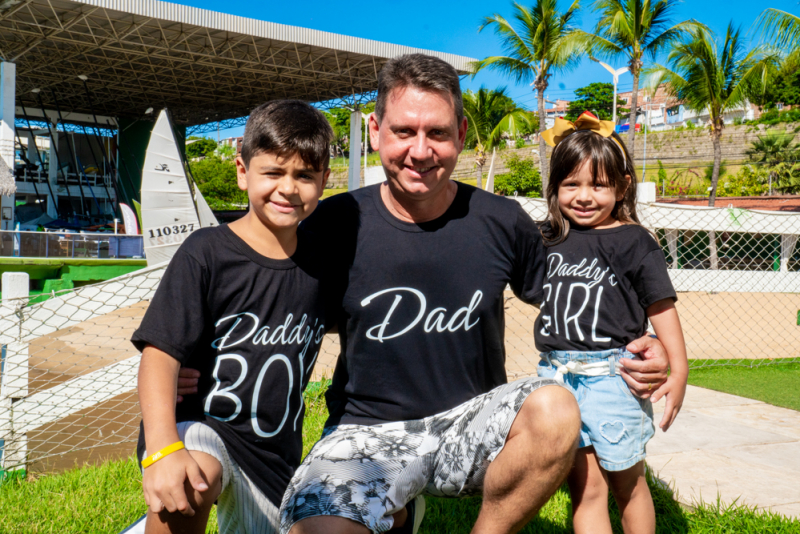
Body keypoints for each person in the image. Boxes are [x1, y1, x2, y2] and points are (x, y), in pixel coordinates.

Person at [272, 55, 671, 534]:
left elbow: (577, 292)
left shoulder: (501, 220)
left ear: (461, 133)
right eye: (404, 131)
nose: (420, 151)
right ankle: (393, 503)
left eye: (437, 133)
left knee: (555, 407)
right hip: (369, 430)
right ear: (376, 130)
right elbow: (267, 307)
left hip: (475, 427)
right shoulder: (332, 224)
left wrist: (647, 338)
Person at [133, 100, 336, 534]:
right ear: (243, 171)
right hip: (200, 427)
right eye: (273, 172)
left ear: (324, 181)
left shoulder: (323, 268)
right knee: (194, 478)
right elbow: (159, 354)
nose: (288, 188)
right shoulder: (206, 253)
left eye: (304, 175)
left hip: (273, 460)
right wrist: (162, 449)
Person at [534, 112, 688, 534]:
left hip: (614, 379)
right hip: (557, 379)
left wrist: (680, 369)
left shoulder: (634, 240)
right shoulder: (547, 238)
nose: (584, 196)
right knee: (585, 489)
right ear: (555, 188)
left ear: (621, 186)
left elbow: (661, 307)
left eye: (598, 185)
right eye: (571, 184)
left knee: (628, 485)